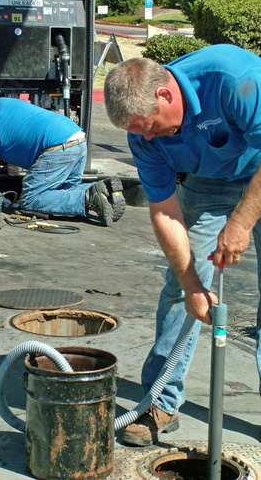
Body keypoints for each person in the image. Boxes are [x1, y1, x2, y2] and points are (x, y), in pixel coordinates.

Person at [104, 44, 261, 445]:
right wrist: (194, 285)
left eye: (152, 127)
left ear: (165, 94)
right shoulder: (142, 135)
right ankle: (161, 400)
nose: (148, 137)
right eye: (139, 132)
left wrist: (242, 222)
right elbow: (163, 210)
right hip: (207, 182)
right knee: (180, 288)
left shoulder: (231, 78)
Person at [0, 97, 126, 226]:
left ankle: (87, 197)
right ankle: (105, 193)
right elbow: (9, 138)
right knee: (63, 192)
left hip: (57, 148)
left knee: (30, 200)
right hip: (76, 139)